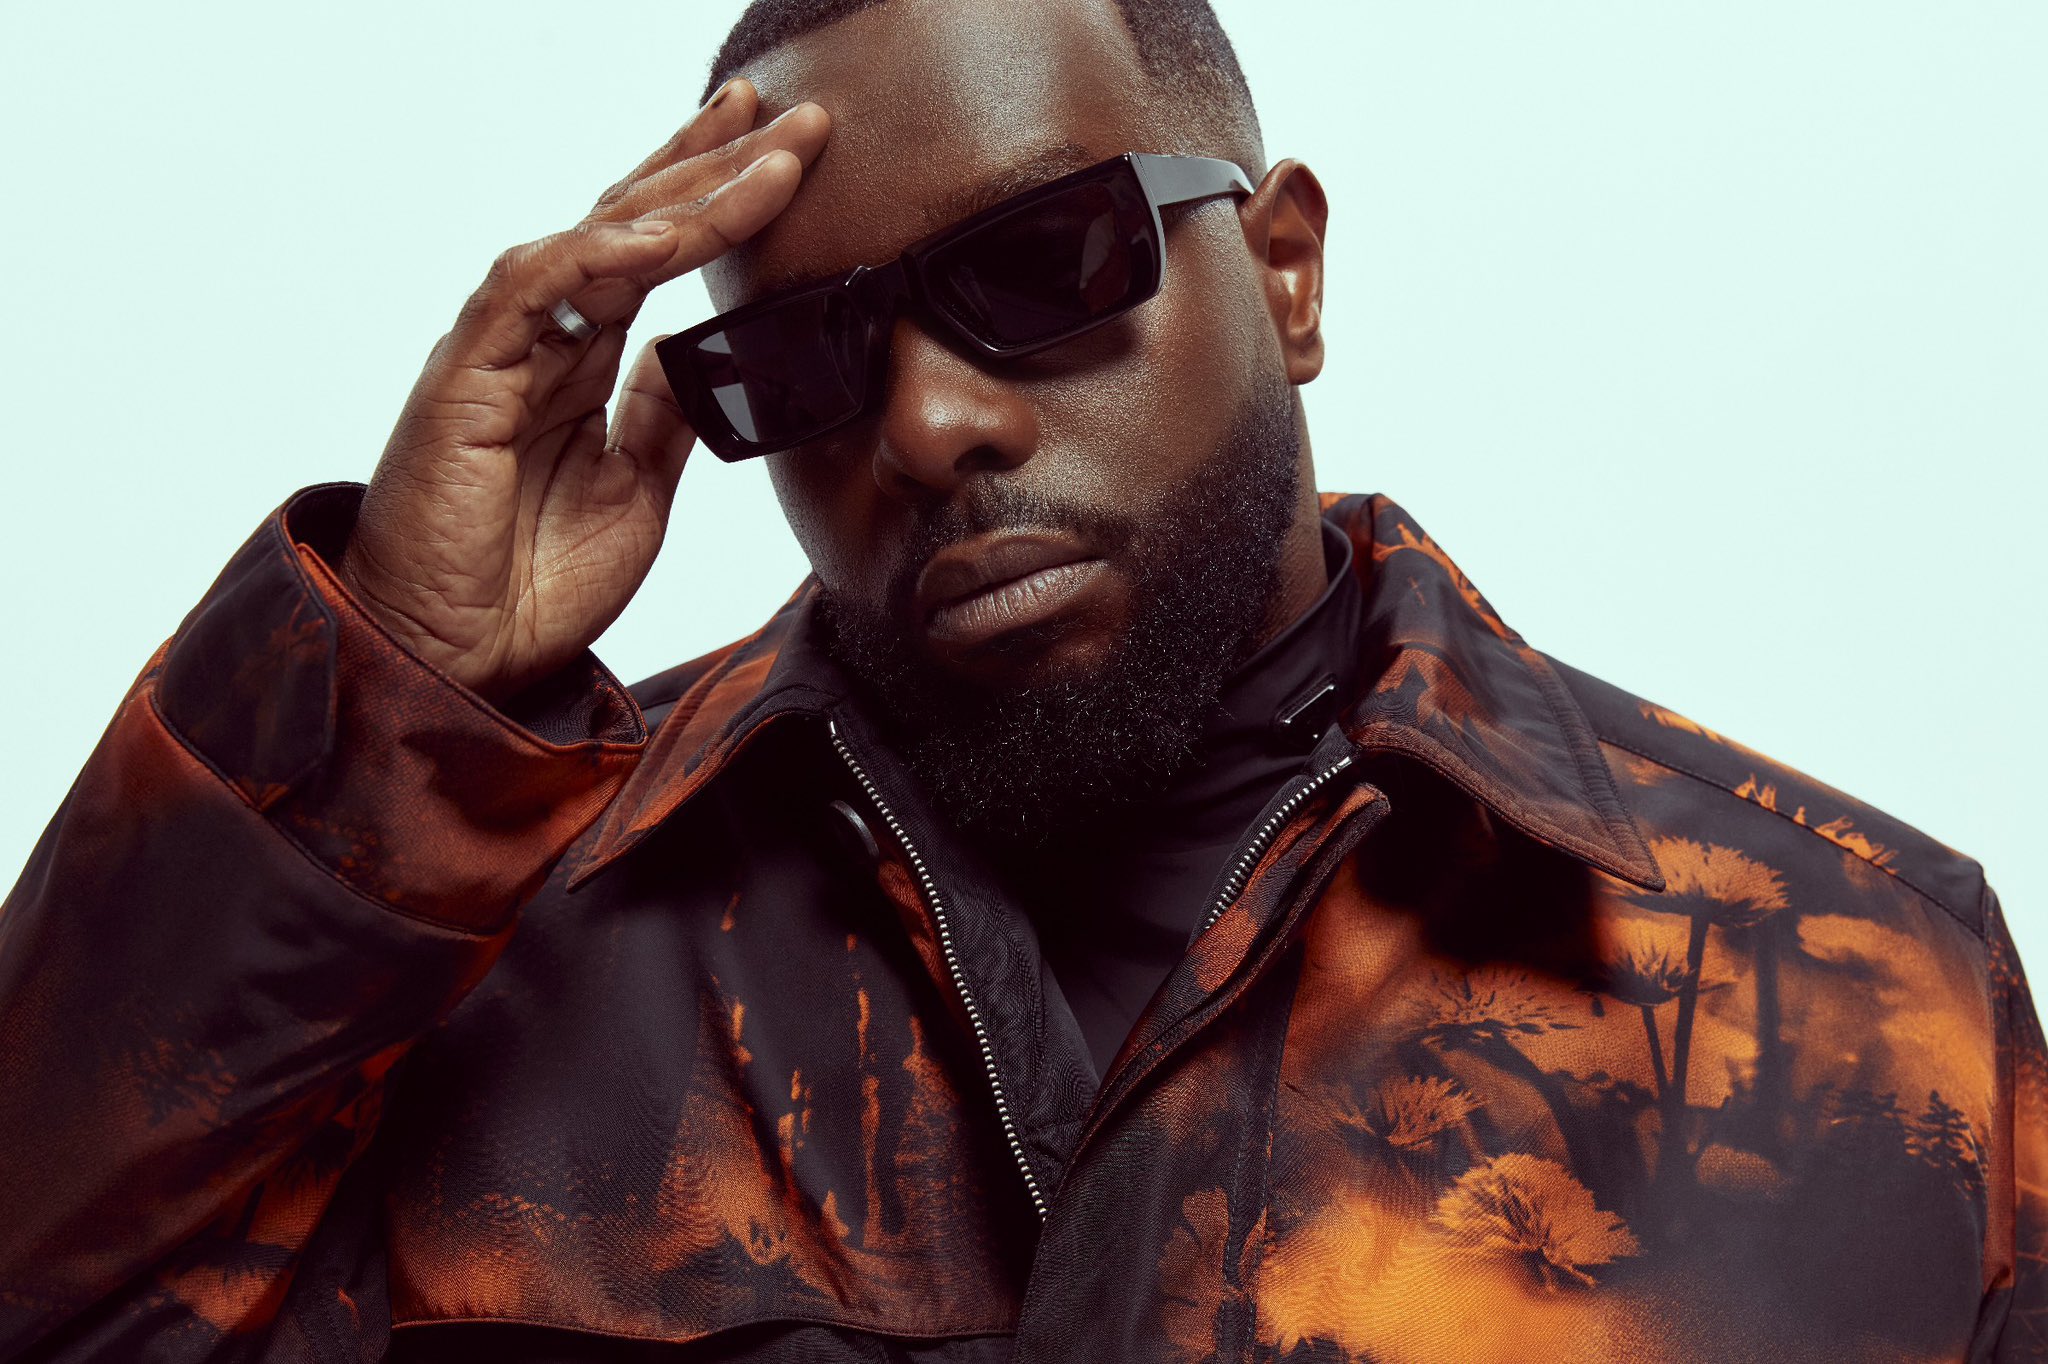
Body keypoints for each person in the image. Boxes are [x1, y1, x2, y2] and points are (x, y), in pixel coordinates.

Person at [0, 0, 2038, 1359]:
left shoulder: (1863, 987)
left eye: (1043, 266)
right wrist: (394, 692)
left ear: (1286, 271)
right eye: (802, 358)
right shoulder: (488, 947)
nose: (931, 425)